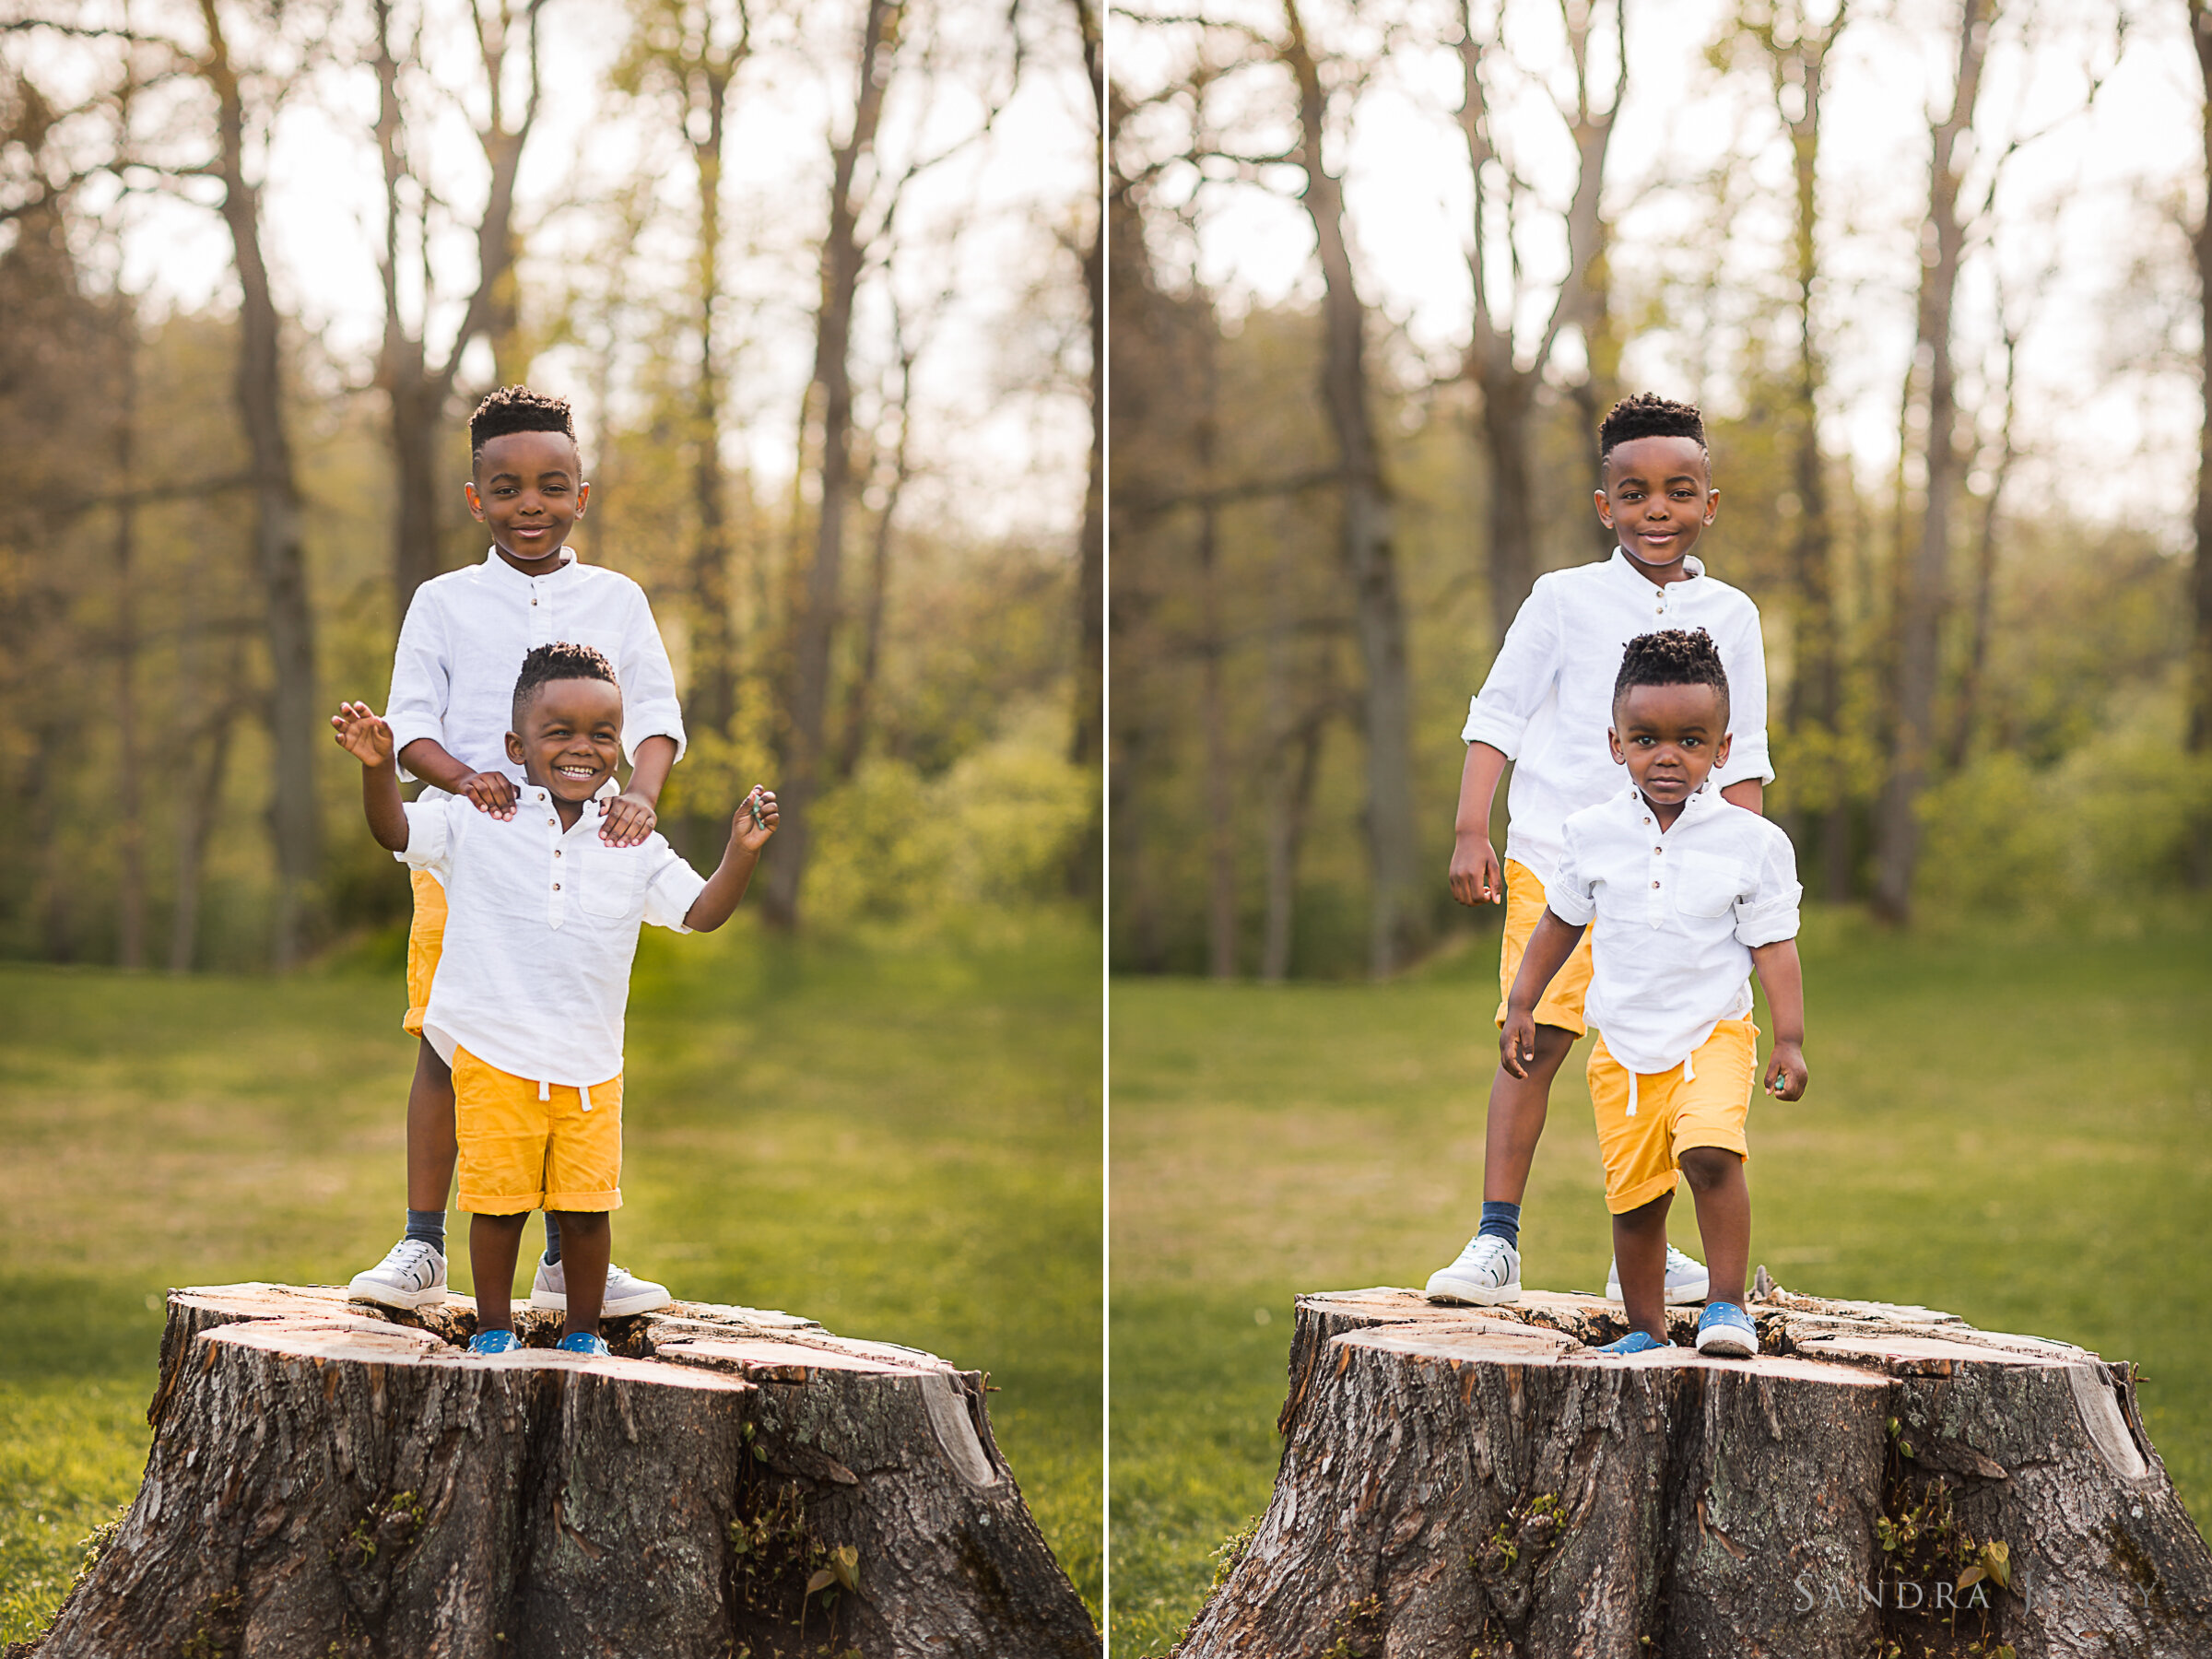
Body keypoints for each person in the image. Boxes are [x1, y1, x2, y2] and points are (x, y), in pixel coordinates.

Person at [345, 385, 688, 1319]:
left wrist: (644, 800)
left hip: (586, 860)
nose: (527, 505)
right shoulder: (444, 602)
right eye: (506, 488)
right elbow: (410, 724)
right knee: (450, 1046)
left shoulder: (616, 600)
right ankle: (421, 1246)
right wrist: (463, 779)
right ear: (475, 499)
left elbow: (655, 719)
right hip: (474, 854)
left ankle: (562, 1261)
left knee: (572, 1048)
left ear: (583, 492)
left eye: (549, 485)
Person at [1426, 393, 1775, 1308]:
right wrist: (1472, 825)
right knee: (1533, 1040)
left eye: (1677, 490)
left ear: (1709, 503)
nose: (1656, 509)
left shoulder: (1733, 616)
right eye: (1634, 492)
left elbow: (1746, 757)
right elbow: (1495, 713)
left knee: (1672, 1053)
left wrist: (1747, 885)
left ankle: (1644, 1264)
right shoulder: (1562, 599)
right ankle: (1496, 1239)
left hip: (1682, 882)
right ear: (1604, 505)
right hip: (1558, 859)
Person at [332, 643, 778, 1356]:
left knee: (587, 1211)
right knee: (498, 1205)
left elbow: (699, 912)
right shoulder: (480, 818)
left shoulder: (630, 838)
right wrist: (379, 768)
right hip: (495, 1053)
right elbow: (398, 831)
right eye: (560, 732)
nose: (584, 748)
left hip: (590, 1065)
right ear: (517, 745)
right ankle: (493, 1329)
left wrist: (741, 853)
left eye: (603, 735)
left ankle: (581, 1335)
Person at [1497, 629, 1806, 1357]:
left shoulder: (1750, 843)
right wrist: (1522, 1003)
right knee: (1635, 1202)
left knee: (1709, 1153)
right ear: (1616, 742)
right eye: (1646, 739)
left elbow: (1773, 945)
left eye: (1691, 741)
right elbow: (1558, 925)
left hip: (1713, 1036)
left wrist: (1788, 1036)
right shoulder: (1592, 833)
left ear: (1722, 749)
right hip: (1624, 1051)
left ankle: (1728, 1309)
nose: (1668, 757)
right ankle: (1645, 1330)